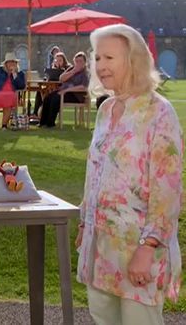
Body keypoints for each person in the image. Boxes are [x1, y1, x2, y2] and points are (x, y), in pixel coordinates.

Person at [76, 24, 183, 325]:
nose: (100, 66)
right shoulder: (106, 109)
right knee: (103, 319)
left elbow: (168, 188)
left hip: (137, 248)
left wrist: (149, 248)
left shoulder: (159, 112)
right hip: (100, 246)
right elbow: (94, 171)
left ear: (133, 60)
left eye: (109, 58)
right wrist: (85, 223)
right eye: (98, 58)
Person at [38, 51, 90, 128]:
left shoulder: (85, 72)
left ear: (85, 62)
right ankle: (43, 122)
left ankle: (50, 123)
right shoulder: (72, 69)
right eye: (76, 61)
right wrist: (73, 72)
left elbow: (83, 87)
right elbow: (61, 78)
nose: (78, 63)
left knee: (56, 99)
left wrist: (66, 90)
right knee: (48, 97)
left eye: (80, 61)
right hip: (63, 91)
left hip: (76, 95)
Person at [0, 52, 26, 130]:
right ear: (6, 63)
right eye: (10, 62)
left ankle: (4, 125)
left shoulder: (20, 73)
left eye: (13, 62)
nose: (11, 63)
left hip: (11, 93)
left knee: (9, 99)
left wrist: (14, 74)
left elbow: (21, 86)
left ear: (16, 63)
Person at [31, 51, 70, 118]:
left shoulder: (67, 69)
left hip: (61, 90)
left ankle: (46, 114)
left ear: (64, 61)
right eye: (56, 60)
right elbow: (49, 79)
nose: (58, 62)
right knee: (40, 91)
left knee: (51, 94)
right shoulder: (52, 69)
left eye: (60, 60)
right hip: (50, 87)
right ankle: (36, 113)